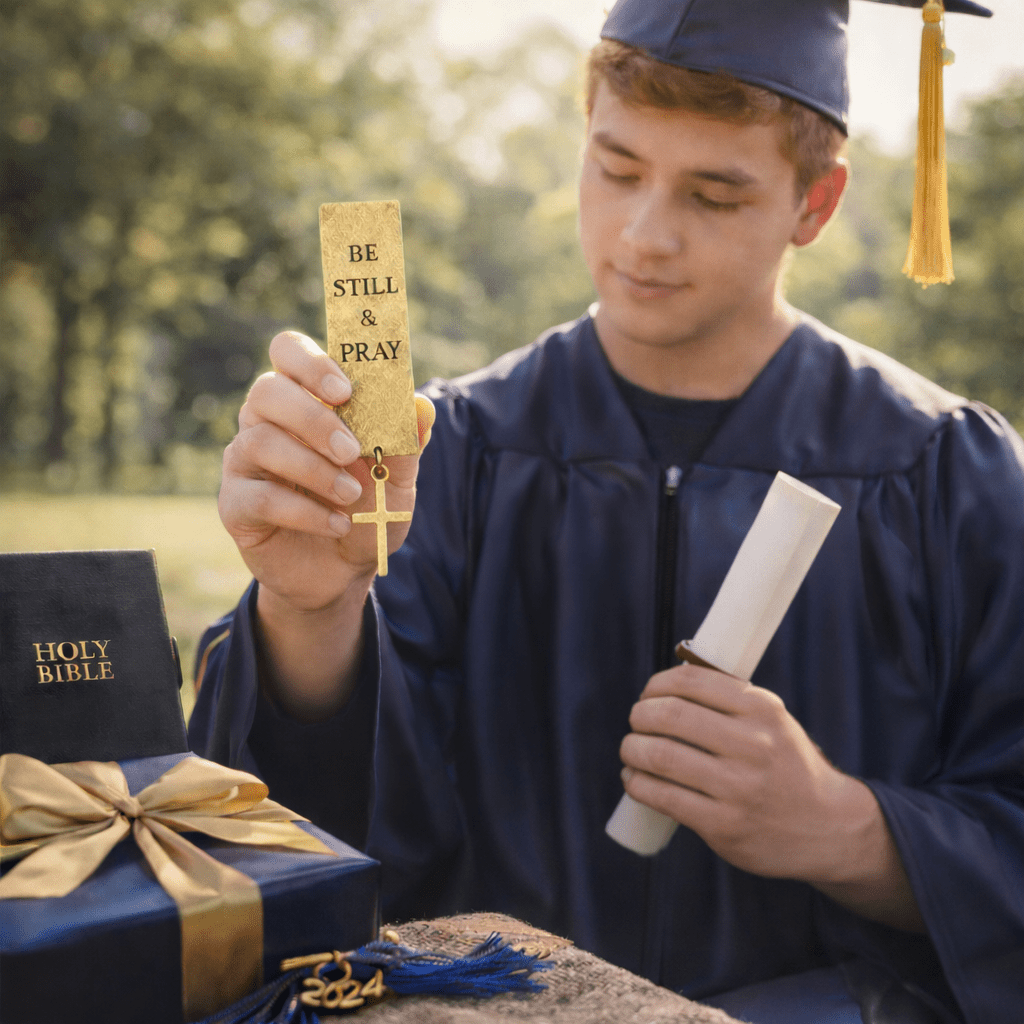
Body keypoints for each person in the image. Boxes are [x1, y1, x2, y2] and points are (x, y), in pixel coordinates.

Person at [188, 1, 1024, 1021]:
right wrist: (310, 614)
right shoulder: (451, 453)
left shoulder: (945, 476)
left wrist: (845, 827)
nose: (642, 234)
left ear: (815, 203)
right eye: (615, 167)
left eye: (714, 195)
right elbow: (325, 854)